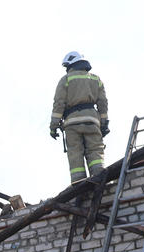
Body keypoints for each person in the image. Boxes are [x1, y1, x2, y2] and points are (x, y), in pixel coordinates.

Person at [50, 51, 109, 184]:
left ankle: (79, 185)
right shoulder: (95, 79)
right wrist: (104, 123)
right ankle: (99, 178)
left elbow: (59, 103)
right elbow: (102, 103)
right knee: (95, 151)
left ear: (71, 64)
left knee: (75, 154)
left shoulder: (66, 80)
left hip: (72, 123)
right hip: (92, 121)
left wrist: (53, 127)